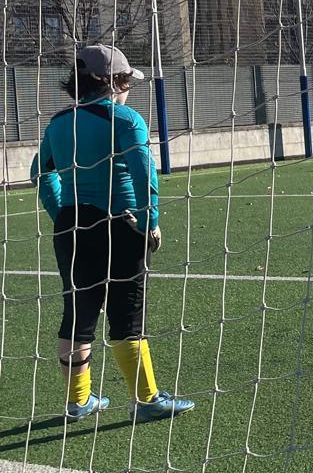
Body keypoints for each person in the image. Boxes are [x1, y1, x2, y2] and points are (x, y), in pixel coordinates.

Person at [30, 44, 194, 423]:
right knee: (127, 314)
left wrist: (63, 213)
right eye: (126, 81)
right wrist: (149, 221)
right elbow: (143, 173)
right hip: (121, 225)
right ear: (110, 81)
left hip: (72, 227)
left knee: (78, 312)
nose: (128, 89)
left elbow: (40, 173)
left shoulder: (58, 123)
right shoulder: (125, 120)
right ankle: (146, 399)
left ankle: (78, 401)